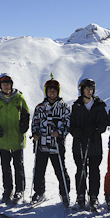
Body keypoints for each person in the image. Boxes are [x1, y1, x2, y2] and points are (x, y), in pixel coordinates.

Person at [0, 73, 30, 203]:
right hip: (3, 139)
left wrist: (24, 126)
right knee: (5, 167)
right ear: (0, 86)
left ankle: (20, 190)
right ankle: (8, 190)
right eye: (3, 84)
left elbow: (26, 114)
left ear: (11, 85)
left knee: (18, 166)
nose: (6, 86)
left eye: (8, 84)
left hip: (17, 138)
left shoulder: (19, 98)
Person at [31, 76, 72, 206]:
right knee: (39, 170)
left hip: (56, 144)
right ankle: (39, 192)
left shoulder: (64, 107)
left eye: (54, 90)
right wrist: (35, 133)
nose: (52, 93)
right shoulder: (40, 107)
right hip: (42, 144)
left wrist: (59, 133)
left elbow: (68, 124)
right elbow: (35, 123)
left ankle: (64, 193)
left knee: (60, 170)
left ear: (58, 92)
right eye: (49, 90)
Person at [69, 78, 108, 210]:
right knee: (81, 170)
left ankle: (93, 196)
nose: (89, 91)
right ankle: (80, 194)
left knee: (94, 171)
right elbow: (71, 124)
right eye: (87, 89)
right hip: (79, 143)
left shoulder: (99, 105)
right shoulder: (76, 106)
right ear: (82, 90)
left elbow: (104, 123)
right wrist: (75, 132)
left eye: (91, 89)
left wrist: (96, 129)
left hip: (95, 143)